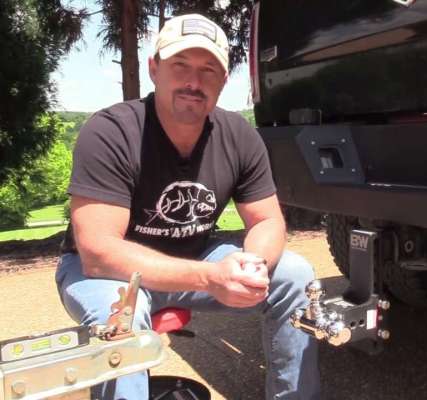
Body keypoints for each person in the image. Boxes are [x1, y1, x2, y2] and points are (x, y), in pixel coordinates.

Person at [55, 13, 320, 400]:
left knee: (295, 275)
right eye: (180, 65)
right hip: (110, 274)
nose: (194, 82)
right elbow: (98, 253)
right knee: (121, 319)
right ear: (154, 69)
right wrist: (210, 278)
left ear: (223, 80)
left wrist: (253, 265)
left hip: (196, 257)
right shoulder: (111, 132)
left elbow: (267, 220)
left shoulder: (238, 135)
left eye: (208, 70)